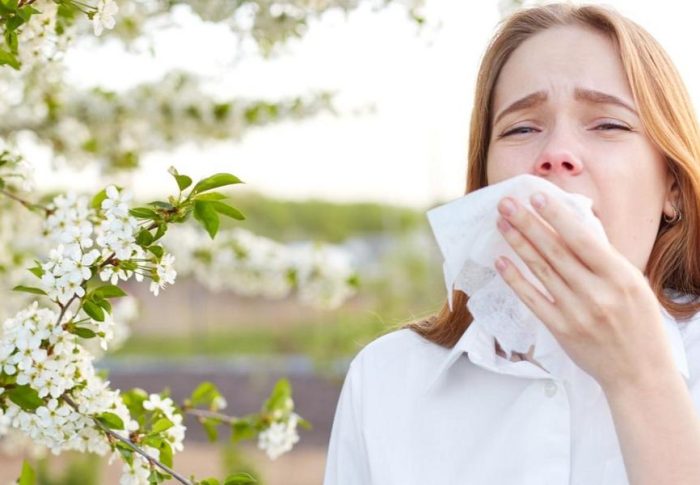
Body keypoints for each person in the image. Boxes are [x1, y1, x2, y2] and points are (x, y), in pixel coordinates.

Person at [322, 3, 700, 485]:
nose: (556, 154)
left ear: (672, 187)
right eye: (522, 128)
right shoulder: (385, 380)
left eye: (608, 124)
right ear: (484, 184)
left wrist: (641, 379)